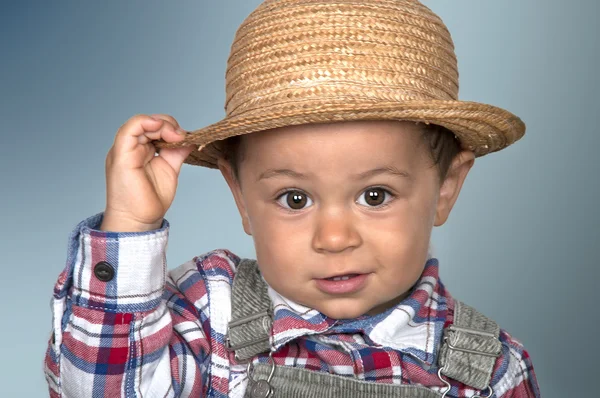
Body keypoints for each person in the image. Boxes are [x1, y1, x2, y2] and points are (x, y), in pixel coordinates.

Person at [43, 0, 541, 397]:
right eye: (295, 199)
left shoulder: (488, 369)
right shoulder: (207, 314)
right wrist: (129, 223)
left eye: (375, 194)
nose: (334, 238)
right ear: (240, 196)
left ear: (446, 189)